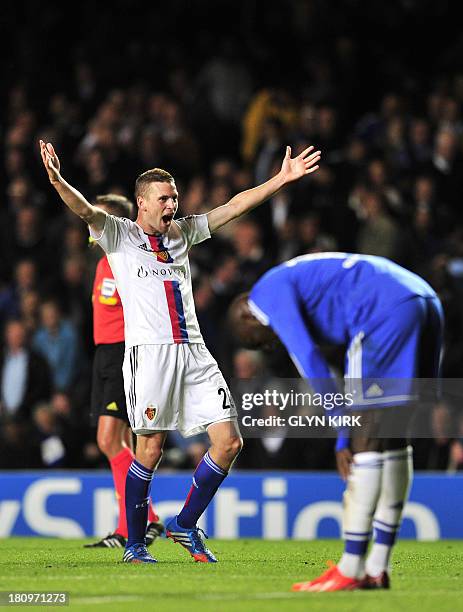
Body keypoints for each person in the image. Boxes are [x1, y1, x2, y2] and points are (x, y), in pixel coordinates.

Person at [39, 138, 320, 564]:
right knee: (148, 451)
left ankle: (184, 524)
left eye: (175, 196)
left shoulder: (183, 232)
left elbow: (234, 207)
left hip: (194, 354)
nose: (172, 204)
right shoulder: (119, 235)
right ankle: (134, 545)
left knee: (229, 443)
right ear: (142, 203)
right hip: (149, 357)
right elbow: (85, 210)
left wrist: (280, 179)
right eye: (164, 198)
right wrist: (58, 180)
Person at [229, 252, 443, 591]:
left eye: (258, 340)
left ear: (247, 314)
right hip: (423, 300)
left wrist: (343, 431)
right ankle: (377, 566)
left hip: (381, 310)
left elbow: (309, 360)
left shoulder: (264, 295)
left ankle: (351, 567)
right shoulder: (296, 278)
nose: (269, 346)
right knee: (394, 439)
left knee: (365, 443)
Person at [84, 194, 163, 549]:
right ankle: (132, 525)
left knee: (107, 439)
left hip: (122, 353)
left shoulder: (126, 260)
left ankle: (147, 517)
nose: (90, 228)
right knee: (119, 441)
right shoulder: (103, 263)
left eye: (97, 221)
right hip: (104, 354)